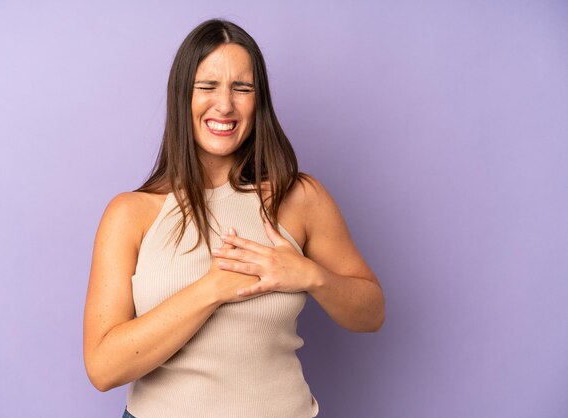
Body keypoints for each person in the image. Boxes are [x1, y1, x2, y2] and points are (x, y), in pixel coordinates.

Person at [83, 18, 385, 418]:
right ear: (182, 98)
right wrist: (212, 289)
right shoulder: (131, 213)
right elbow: (104, 369)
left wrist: (310, 275)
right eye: (207, 87)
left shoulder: (299, 198)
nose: (224, 104)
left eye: (242, 88)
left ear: (258, 101)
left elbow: (371, 314)